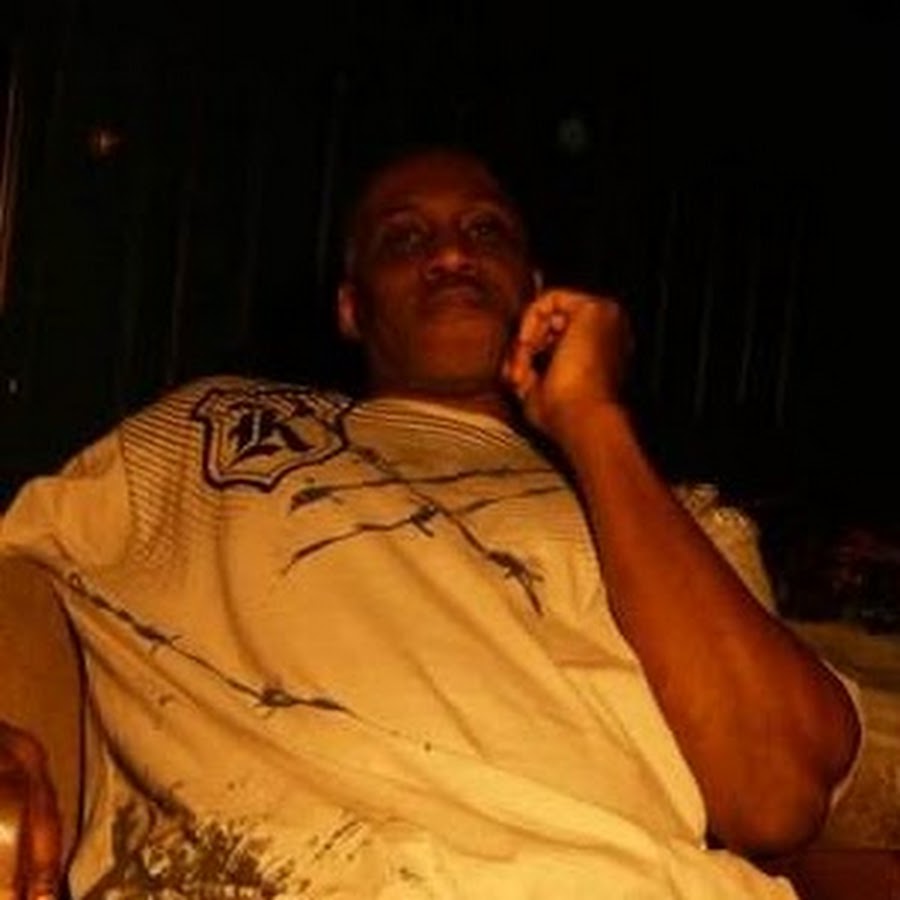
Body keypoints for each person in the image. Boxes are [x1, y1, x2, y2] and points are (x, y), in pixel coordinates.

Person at [0, 147, 861, 899]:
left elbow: (775, 794)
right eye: (404, 239)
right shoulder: (207, 431)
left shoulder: (665, 513)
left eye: (486, 232)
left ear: (535, 290)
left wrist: (593, 421)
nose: (451, 254)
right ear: (351, 307)